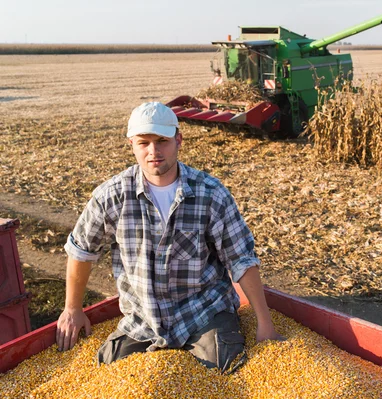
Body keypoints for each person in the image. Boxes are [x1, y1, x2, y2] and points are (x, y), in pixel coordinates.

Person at [56, 101, 282, 372]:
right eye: (144, 143)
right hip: (143, 320)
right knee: (109, 369)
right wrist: (73, 309)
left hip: (203, 313)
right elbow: (81, 250)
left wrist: (265, 324)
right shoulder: (111, 196)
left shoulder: (210, 194)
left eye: (162, 140)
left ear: (178, 140)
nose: (154, 151)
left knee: (226, 368)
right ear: (132, 145)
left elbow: (241, 259)